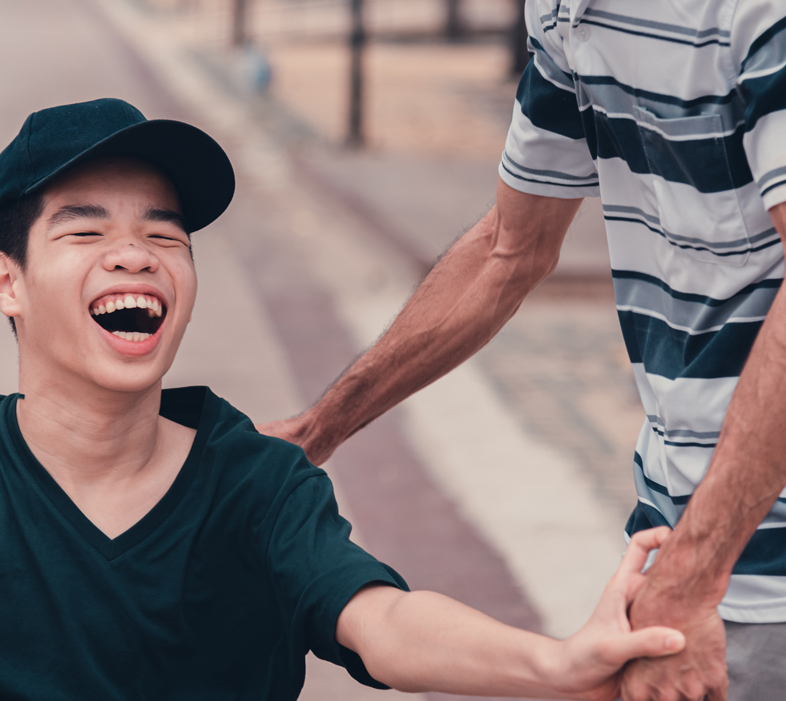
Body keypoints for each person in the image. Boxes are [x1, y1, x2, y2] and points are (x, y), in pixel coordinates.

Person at [0, 98, 685, 700]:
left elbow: (381, 621)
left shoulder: (256, 482)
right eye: (86, 231)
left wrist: (561, 662)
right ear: (6, 282)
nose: (135, 255)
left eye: (164, 233)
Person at [262, 1, 786, 700]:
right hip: (677, 534)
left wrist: (694, 576)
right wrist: (316, 429)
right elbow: (510, 248)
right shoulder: (565, 11)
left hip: (749, 572)